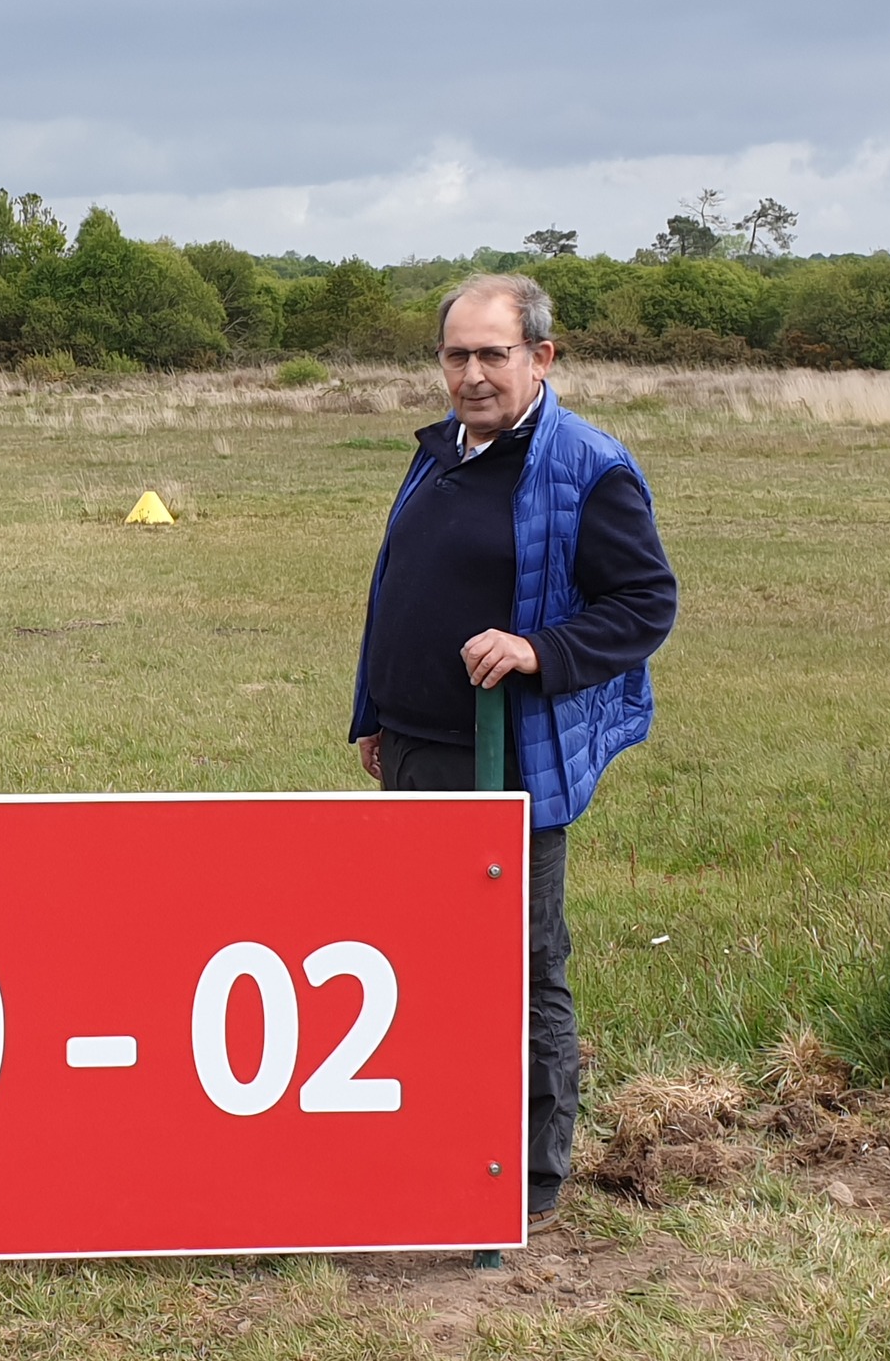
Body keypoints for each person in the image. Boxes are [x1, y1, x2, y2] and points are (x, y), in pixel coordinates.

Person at [348, 273, 676, 1234]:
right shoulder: (439, 453)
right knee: (424, 956)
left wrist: (543, 651)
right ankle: (438, 1143)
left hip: (511, 763)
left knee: (522, 964)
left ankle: (528, 1181)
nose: (474, 374)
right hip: (417, 749)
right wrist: (376, 712)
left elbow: (644, 604)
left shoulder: (588, 467)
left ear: (542, 357)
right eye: (457, 355)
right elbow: (396, 587)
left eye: (494, 354)